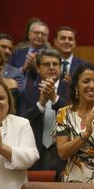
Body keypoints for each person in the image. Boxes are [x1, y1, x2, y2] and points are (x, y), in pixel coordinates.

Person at [18, 49, 68, 178]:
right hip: (35, 153)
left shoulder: (72, 90)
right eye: (46, 64)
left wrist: (55, 99)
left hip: (64, 153)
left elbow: (75, 116)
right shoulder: (27, 93)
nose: (51, 67)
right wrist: (40, 104)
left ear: (60, 67)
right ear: (38, 68)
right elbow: (21, 121)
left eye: (55, 64)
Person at [0, 77, 39, 189]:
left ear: (9, 102)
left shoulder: (21, 124)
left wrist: (1, 147)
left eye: (0, 98)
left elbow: (31, 157)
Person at [9, 21, 50, 87]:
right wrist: (23, 68)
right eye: (36, 33)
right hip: (18, 91)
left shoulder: (51, 56)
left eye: (43, 34)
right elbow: (8, 75)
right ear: (29, 35)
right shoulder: (17, 53)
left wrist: (37, 68)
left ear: (47, 38)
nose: (39, 36)